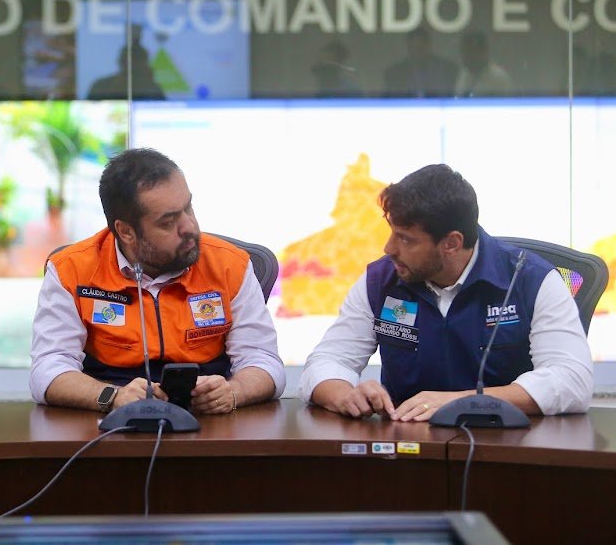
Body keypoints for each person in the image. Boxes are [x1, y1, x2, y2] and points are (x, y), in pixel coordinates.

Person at [299, 164, 592, 421]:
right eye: (391, 233)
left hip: (509, 445)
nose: (389, 249)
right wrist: (344, 394)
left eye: (405, 239)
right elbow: (328, 361)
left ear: (451, 243)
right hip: (407, 446)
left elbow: (571, 381)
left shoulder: (531, 280)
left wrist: (462, 403)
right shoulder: (380, 280)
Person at [30, 148, 285, 414]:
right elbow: (48, 369)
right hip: (114, 414)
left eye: (188, 207)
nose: (189, 227)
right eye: (168, 221)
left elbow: (264, 361)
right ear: (126, 231)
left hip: (208, 411)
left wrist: (233, 392)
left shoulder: (230, 264)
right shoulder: (71, 269)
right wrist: (112, 396)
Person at [382, 28, 458, 97]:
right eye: (414, 47)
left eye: (421, 47)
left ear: (428, 46)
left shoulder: (447, 69)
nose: (418, 51)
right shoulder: (393, 73)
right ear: (408, 47)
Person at [454, 30, 513, 96]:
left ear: (484, 53)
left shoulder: (499, 79)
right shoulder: (463, 75)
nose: (466, 59)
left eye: (471, 54)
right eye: (465, 53)